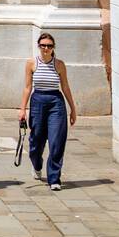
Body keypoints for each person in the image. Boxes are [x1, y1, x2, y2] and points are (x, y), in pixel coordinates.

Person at [19, 32, 77, 190]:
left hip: (56, 102)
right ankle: (37, 165)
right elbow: (27, 87)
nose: (46, 48)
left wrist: (73, 108)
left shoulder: (59, 65)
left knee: (56, 141)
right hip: (38, 101)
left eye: (49, 46)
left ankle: (54, 178)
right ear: (39, 46)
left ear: (53, 48)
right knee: (36, 141)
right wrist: (22, 109)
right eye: (43, 45)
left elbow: (65, 86)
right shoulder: (31, 63)